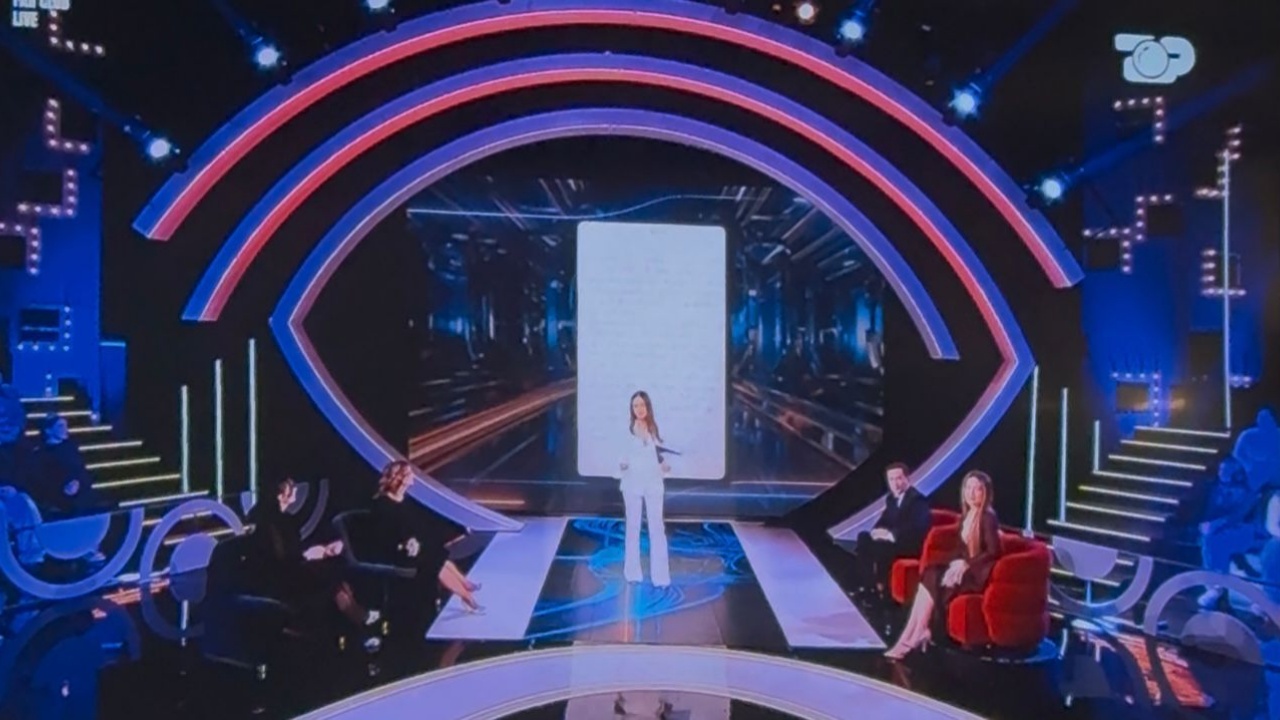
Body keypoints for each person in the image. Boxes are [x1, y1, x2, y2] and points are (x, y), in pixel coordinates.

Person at [248, 478, 380, 645]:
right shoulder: (271, 521)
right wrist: (310, 555)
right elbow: (280, 557)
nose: (297, 490)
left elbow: (292, 551)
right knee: (332, 581)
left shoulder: (278, 519)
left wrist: (323, 550)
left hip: (291, 569)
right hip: (280, 577)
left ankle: (359, 620)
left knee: (337, 576)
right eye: (292, 489)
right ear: (281, 496)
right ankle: (359, 622)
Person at [885, 471, 1001, 660]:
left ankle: (916, 635)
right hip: (964, 569)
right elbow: (961, 550)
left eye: (977, 489)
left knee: (932, 576)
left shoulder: (988, 517)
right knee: (930, 572)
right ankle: (913, 634)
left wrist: (966, 564)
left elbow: (993, 552)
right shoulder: (967, 515)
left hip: (977, 575)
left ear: (986, 492)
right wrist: (953, 564)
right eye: (968, 488)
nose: (972, 493)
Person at [370, 461, 482, 612]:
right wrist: (407, 543)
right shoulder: (383, 503)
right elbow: (385, 533)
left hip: (414, 544)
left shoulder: (406, 500)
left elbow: (417, 524)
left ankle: (465, 584)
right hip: (398, 550)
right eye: (409, 474)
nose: (413, 477)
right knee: (435, 560)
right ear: (401, 478)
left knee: (436, 551)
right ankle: (467, 597)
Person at [616, 391, 671, 587]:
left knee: (657, 528)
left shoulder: (655, 429)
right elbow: (622, 458)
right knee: (633, 527)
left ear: (647, 406)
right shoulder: (627, 431)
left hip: (653, 483)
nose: (639, 409)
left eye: (641, 405)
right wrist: (622, 464)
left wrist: (664, 465)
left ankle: (661, 576)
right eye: (635, 406)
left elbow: (660, 456)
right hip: (632, 484)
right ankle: (632, 573)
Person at [852, 462, 931, 596]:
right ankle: (867, 585)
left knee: (881, 546)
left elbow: (917, 527)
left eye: (899, 478)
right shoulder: (891, 499)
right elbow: (884, 519)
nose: (895, 483)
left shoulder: (917, 500)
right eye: (891, 479)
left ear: (907, 478)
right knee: (863, 537)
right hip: (892, 542)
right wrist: (876, 531)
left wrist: (890, 535)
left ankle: (880, 587)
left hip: (909, 544)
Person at [1196, 456, 1260, 608]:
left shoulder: (1245, 492)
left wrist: (1214, 525)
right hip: (1218, 531)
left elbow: (1237, 517)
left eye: (1225, 470)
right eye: (1220, 469)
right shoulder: (1215, 489)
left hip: (1245, 532)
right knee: (1209, 540)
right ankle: (1214, 587)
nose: (1221, 472)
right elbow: (1208, 513)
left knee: (1214, 540)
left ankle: (1216, 587)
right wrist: (1206, 525)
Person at [26, 415, 100, 515]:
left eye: (66, 426)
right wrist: (63, 490)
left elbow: (81, 471)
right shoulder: (40, 454)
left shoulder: (71, 447)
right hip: (59, 503)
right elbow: (41, 481)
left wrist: (78, 483)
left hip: (84, 499)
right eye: (60, 426)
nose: (65, 429)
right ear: (48, 430)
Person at [1234, 408, 1280, 492]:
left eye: (1267, 417)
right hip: (1255, 483)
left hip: (1277, 482)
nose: (1264, 420)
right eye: (1261, 417)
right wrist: (1248, 465)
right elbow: (1237, 454)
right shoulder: (1247, 436)